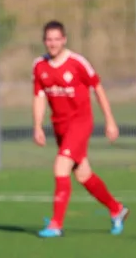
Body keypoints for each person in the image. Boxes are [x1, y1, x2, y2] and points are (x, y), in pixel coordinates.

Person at [32, 20, 129, 238]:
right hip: (60, 127)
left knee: (60, 167)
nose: (53, 43)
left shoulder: (77, 63)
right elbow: (38, 96)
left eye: (57, 39)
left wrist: (110, 120)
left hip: (81, 123)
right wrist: (37, 126)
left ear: (64, 39)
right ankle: (117, 209)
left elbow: (97, 88)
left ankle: (56, 224)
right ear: (44, 41)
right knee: (83, 174)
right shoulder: (39, 66)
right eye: (49, 39)